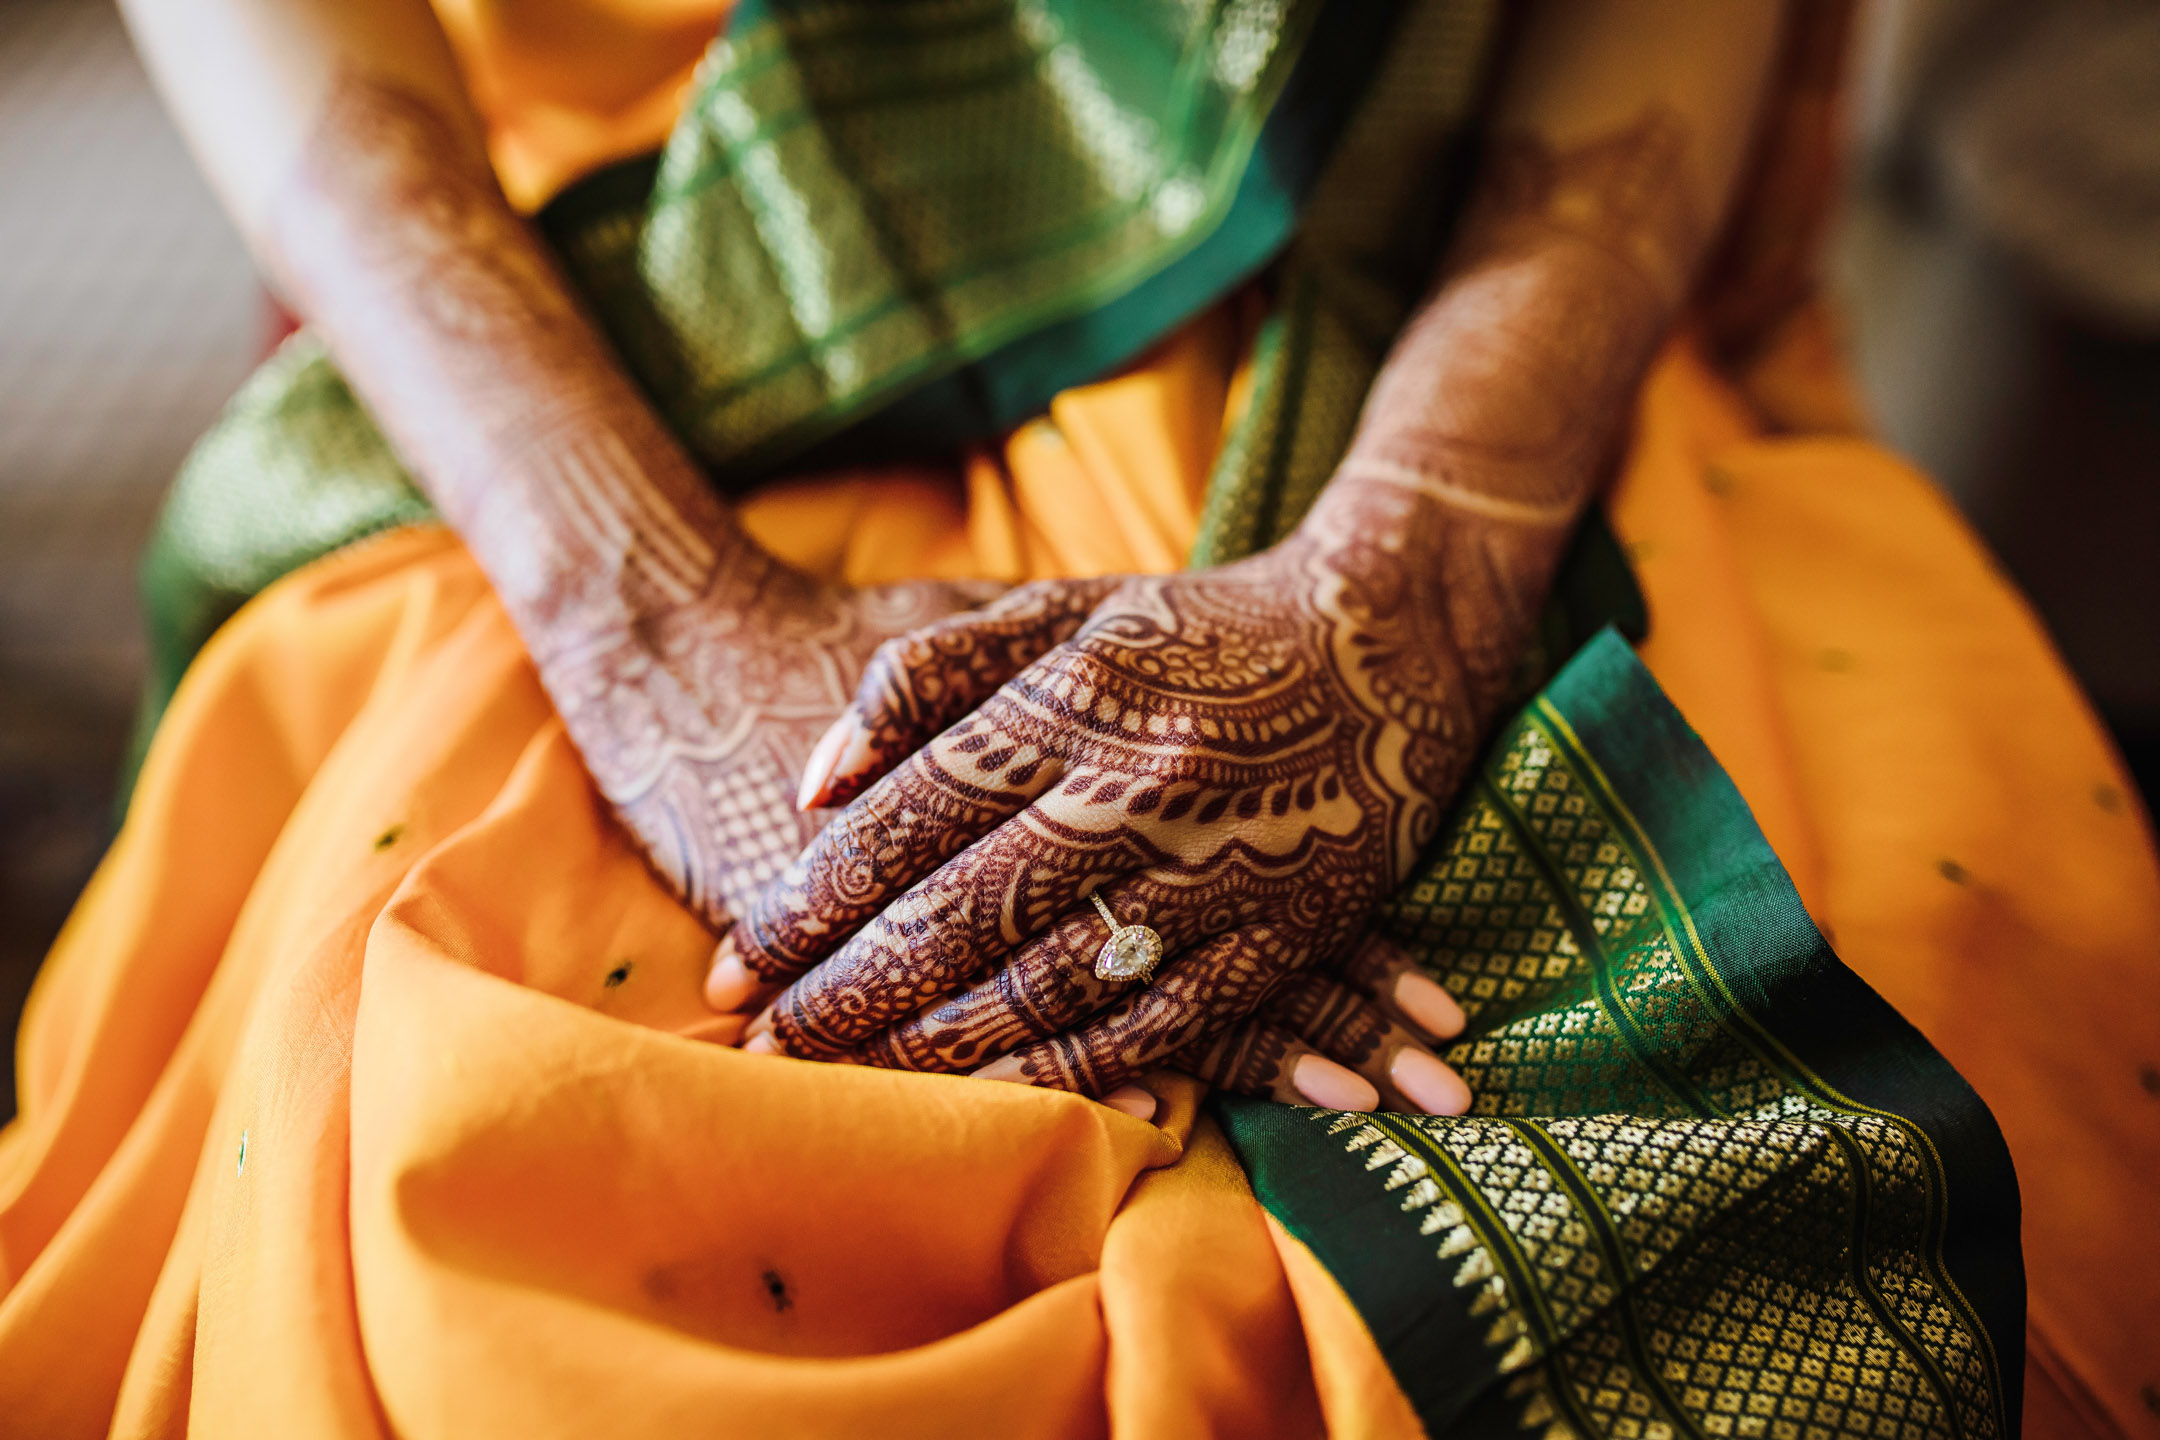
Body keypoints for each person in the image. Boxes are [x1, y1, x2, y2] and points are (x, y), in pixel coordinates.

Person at [0, 0, 2152, 1435]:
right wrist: (647, 610)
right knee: (479, 1168)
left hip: (1459, 294)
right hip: (610, 343)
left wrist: (1414, 573)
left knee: (1918, 1018)